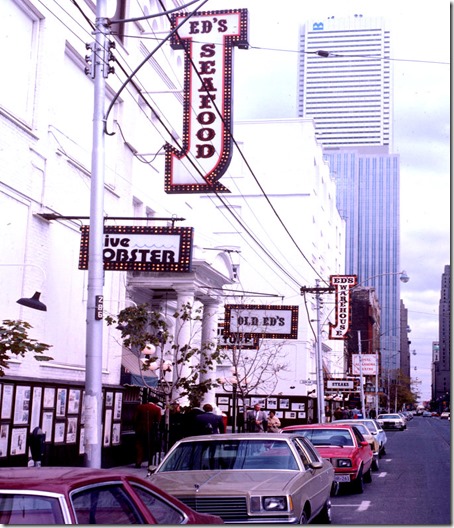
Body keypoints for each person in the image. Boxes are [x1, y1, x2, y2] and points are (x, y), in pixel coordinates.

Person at [133, 395, 162, 468]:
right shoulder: (157, 409)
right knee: (150, 447)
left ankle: (138, 462)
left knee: (139, 446)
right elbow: (158, 421)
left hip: (140, 430)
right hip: (151, 430)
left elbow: (134, 418)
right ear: (155, 402)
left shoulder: (140, 407)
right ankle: (150, 463)